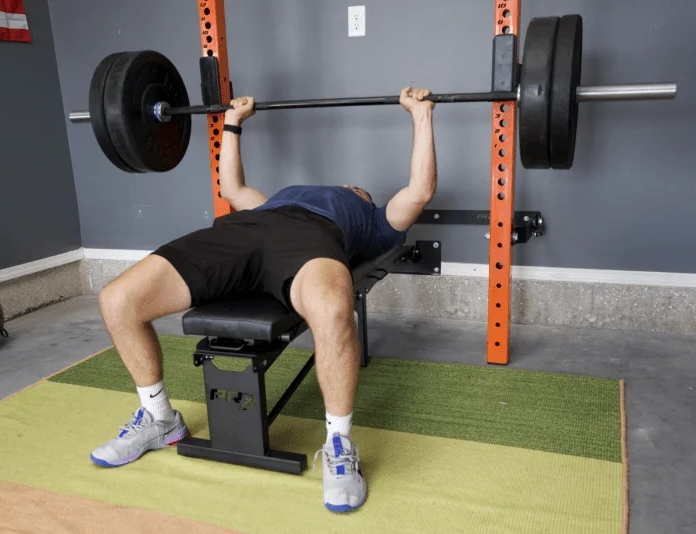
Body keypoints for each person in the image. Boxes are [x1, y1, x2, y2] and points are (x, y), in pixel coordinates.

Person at [90, 86, 438, 513]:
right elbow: (232, 187)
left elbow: (419, 191)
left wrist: (421, 115)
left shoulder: (371, 219)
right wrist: (234, 122)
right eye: (352, 186)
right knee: (118, 299)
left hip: (310, 243)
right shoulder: (276, 199)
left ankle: (338, 445)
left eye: (357, 188)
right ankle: (159, 418)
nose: (350, 184)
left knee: (331, 310)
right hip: (244, 231)